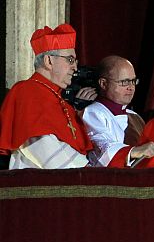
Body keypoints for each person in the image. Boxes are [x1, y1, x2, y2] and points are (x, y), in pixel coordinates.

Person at [0, 24, 96, 169]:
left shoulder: (60, 99)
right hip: (41, 179)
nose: (75, 68)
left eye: (75, 61)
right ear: (49, 61)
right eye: (70, 60)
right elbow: (40, 144)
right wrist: (83, 173)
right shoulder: (26, 90)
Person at [82, 56, 154, 167]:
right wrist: (133, 152)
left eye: (133, 81)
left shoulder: (135, 117)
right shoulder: (93, 113)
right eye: (124, 82)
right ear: (103, 84)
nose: (131, 87)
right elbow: (101, 147)